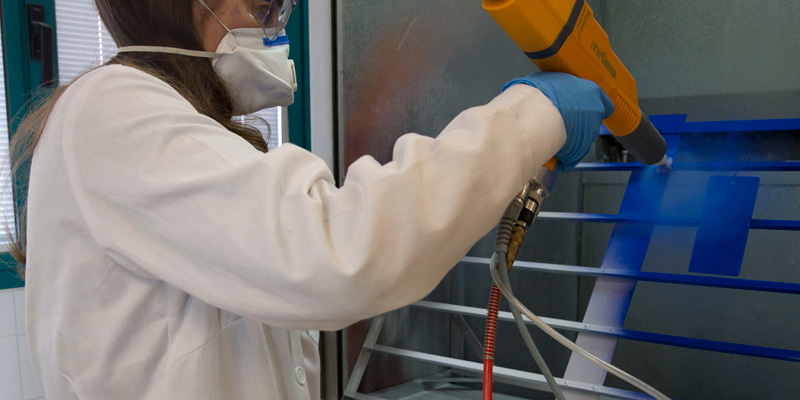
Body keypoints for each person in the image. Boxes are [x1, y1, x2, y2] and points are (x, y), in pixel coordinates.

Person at [13, 0, 613, 399]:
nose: (272, 26)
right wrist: (532, 118)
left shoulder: (176, 131)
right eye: (258, 7)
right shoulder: (113, 110)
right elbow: (334, 251)